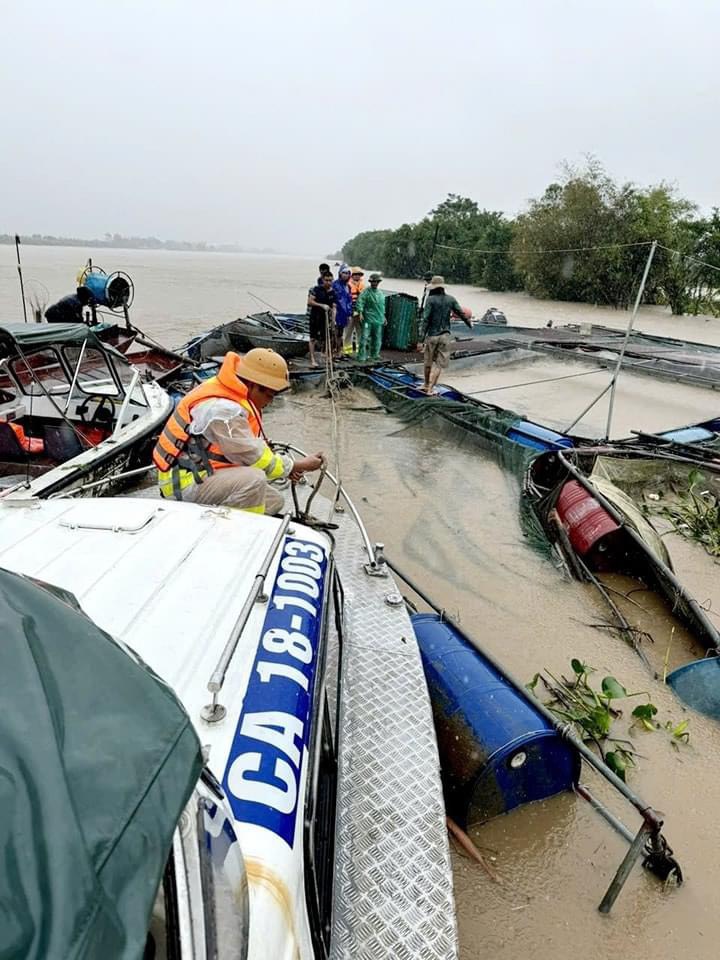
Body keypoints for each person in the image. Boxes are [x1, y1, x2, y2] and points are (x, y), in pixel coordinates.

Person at [152, 348, 324, 514]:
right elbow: (251, 455)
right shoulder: (222, 409)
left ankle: (221, 518)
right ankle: (241, 535)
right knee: (255, 479)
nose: (270, 401)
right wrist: (296, 465)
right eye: (270, 395)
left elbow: (245, 447)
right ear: (253, 385)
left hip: (204, 472)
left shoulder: (230, 391)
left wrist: (286, 469)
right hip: (183, 484)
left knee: (273, 501)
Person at [419, 275, 472, 395]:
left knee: (428, 363)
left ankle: (426, 384)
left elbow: (426, 319)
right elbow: (461, 313)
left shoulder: (430, 300)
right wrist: (469, 324)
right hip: (445, 336)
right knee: (439, 364)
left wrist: (420, 339)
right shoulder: (451, 299)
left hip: (432, 335)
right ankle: (431, 389)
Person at [307, 272, 337, 367]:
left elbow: (334, 307)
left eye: (330, 280)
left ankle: (326, 356)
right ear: (322, 280)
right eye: (326, 280)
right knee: (313, 338)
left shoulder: (333, 292)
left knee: (327, 338)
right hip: (315, 316)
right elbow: (310, 302)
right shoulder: (316, 289)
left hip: (326, 317)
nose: (328, 282)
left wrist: (333, 320)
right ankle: (312, 359)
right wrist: (321, 305)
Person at [356, 273, 386, 363]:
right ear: (370, 282)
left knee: (377, 338)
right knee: (364, 337)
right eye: (373, 281)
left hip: (378, 319)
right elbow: (360, 301)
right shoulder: (366, 292)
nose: (375, 283)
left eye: (376, 282)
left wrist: (384, 317)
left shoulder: (380, 293)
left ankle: (375, 354)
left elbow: (382, 306)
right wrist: (360, 312)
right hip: (367, 319)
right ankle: (361, 356)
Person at [331, 264, 353, 359]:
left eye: (347, 273)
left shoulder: (348, 286)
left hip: (344, 314)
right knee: (334, 333)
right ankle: (332, 351)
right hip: (336, 312)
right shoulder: (334, 285)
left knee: (340, 333)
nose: (346, 275)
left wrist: (349, 313)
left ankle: (339, 351)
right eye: (344, 273)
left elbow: (349, 301)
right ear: (340, 273)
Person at [344, 267, 365, 355]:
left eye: (359, 275)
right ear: (352, 275)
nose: (357, 276)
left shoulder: (363, 285)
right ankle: (347, 351)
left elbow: (364, 299)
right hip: (350, 312)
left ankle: (358, 350)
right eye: (356, 274)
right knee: (348, 331)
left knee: (360, 331)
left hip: (359, 312)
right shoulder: (347, 285)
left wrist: (362, 311)